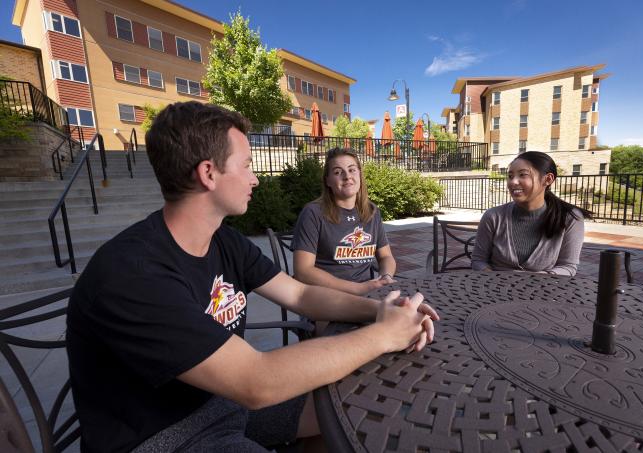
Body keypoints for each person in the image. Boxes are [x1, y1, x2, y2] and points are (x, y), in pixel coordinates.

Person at [65, 102, 438, 453]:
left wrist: (380, 311)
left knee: (357, 408)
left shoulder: (222, 239)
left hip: (222, 402)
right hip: (164, 436)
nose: (255, 178)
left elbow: (301, 295)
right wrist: (382, 335)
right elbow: (256, 381)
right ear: (208, 173)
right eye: (245, 165)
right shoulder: (133, 273)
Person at [292, 147, 396, 296]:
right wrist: (357, 289)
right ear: (327, 180)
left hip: (367, 294)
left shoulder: (372, 211)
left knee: (412, 314)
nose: (347, 176)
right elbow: (303, 271)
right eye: (337, 172)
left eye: (352, 170)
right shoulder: (313, 213)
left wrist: (386, 277)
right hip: (326, 297)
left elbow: (386, 257)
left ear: (359, 174)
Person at [471, 151, 591, 276]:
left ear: (548, 179)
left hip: (545, 290)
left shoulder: (570, 218)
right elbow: (478, 261)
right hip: (496, 289)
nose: (513, 182)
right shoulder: (494, 216)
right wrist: (495, 280)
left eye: (523, 175)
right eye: (510, 176)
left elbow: (567, 266)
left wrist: (534, 281)